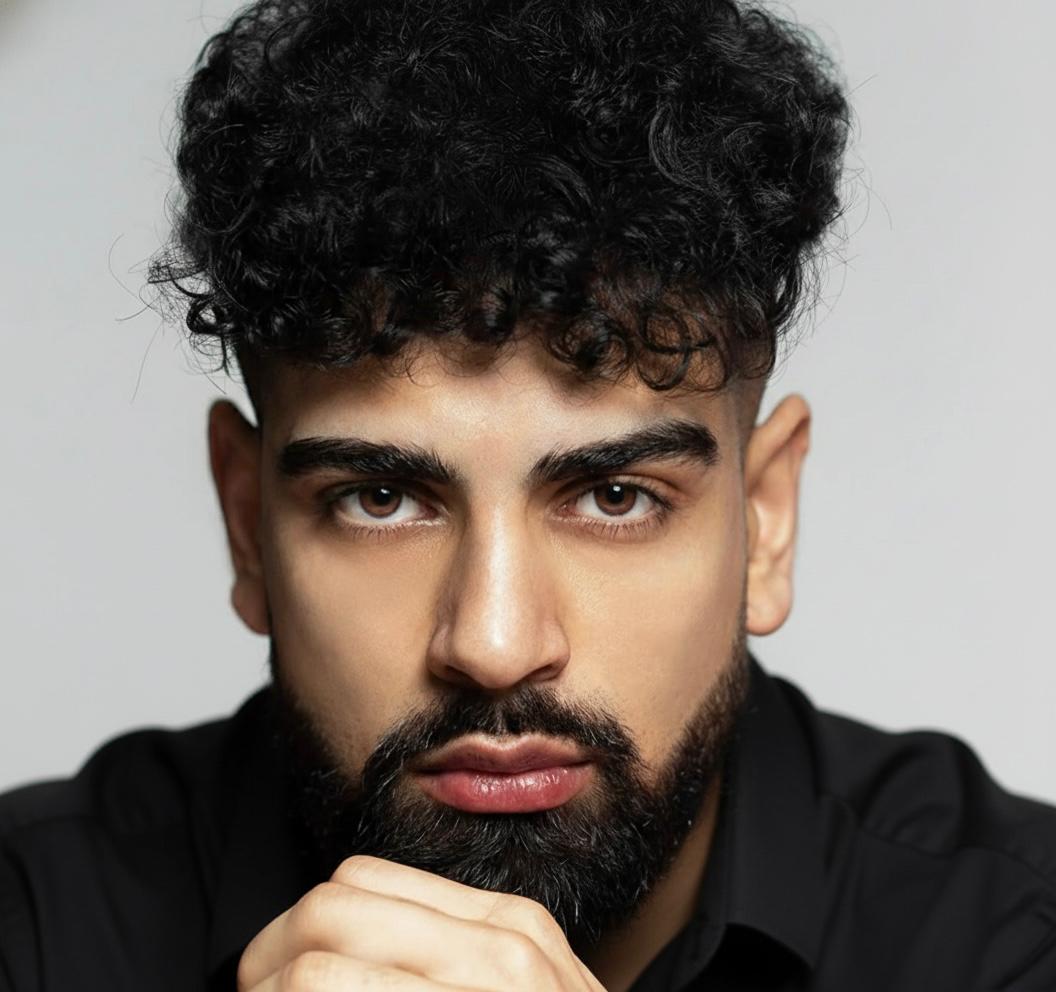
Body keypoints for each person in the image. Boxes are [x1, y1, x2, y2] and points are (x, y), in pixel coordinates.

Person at [2, 0, 1054, 988]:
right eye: (378, 497)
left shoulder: (1011, 939)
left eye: (614, 497)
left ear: (765, 518)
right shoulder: (36, 927)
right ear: (245, 525)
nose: (495, 643)